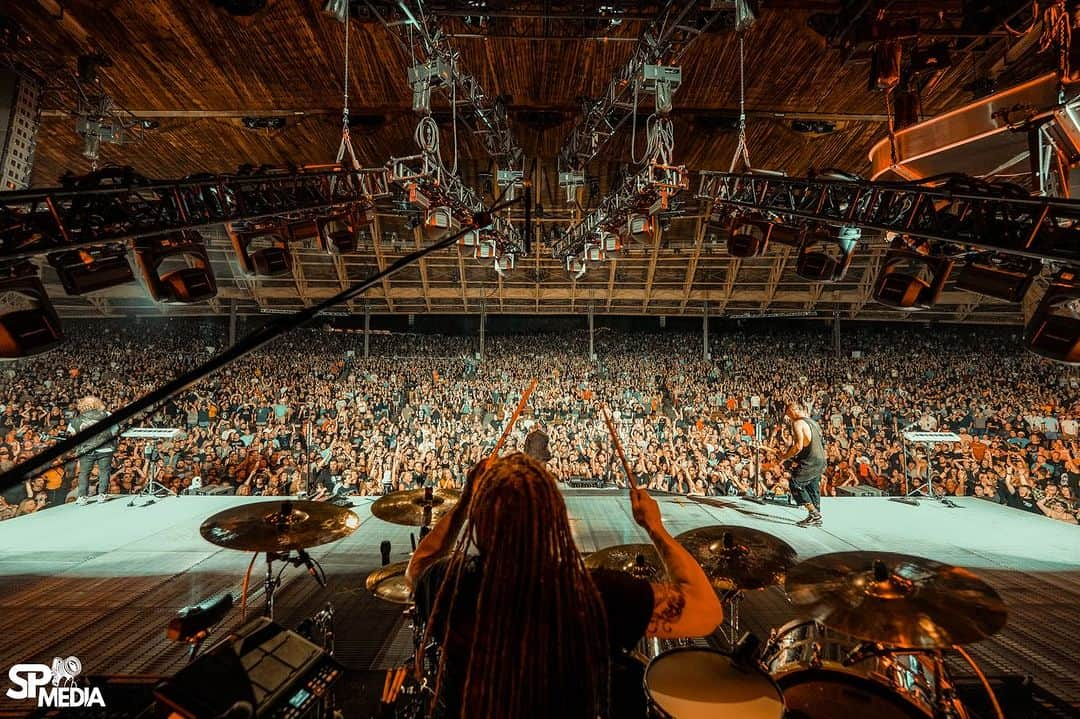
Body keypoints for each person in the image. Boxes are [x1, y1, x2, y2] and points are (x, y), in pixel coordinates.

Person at [405, 453, 723, 719]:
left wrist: (464, 505)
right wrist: (655, 528)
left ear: (479, 522)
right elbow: (706, 611)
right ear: (555, 519)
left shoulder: (449, 584)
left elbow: (417, 565)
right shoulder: (594, 596)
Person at [773, 400, 827, 527]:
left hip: (811, 460)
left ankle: (814, 513)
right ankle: (816, 516)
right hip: (820, 459)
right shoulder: (813, 422)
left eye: (788, 414)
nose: (788, 417)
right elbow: (814, 442)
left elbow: (798, 446)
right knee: (812, 487)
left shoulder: (797, 423)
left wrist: (785, 457)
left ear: (791, 410)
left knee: (795, 483)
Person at [67, 396, 117, 505]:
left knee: (84, 473)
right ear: (98, 403)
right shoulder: (107, 415)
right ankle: (102, 495)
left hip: (86, 450)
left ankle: (82, 497)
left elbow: (72, 434)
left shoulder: (76, 419)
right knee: (104, 471)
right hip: (105, 448)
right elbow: (114, 430)